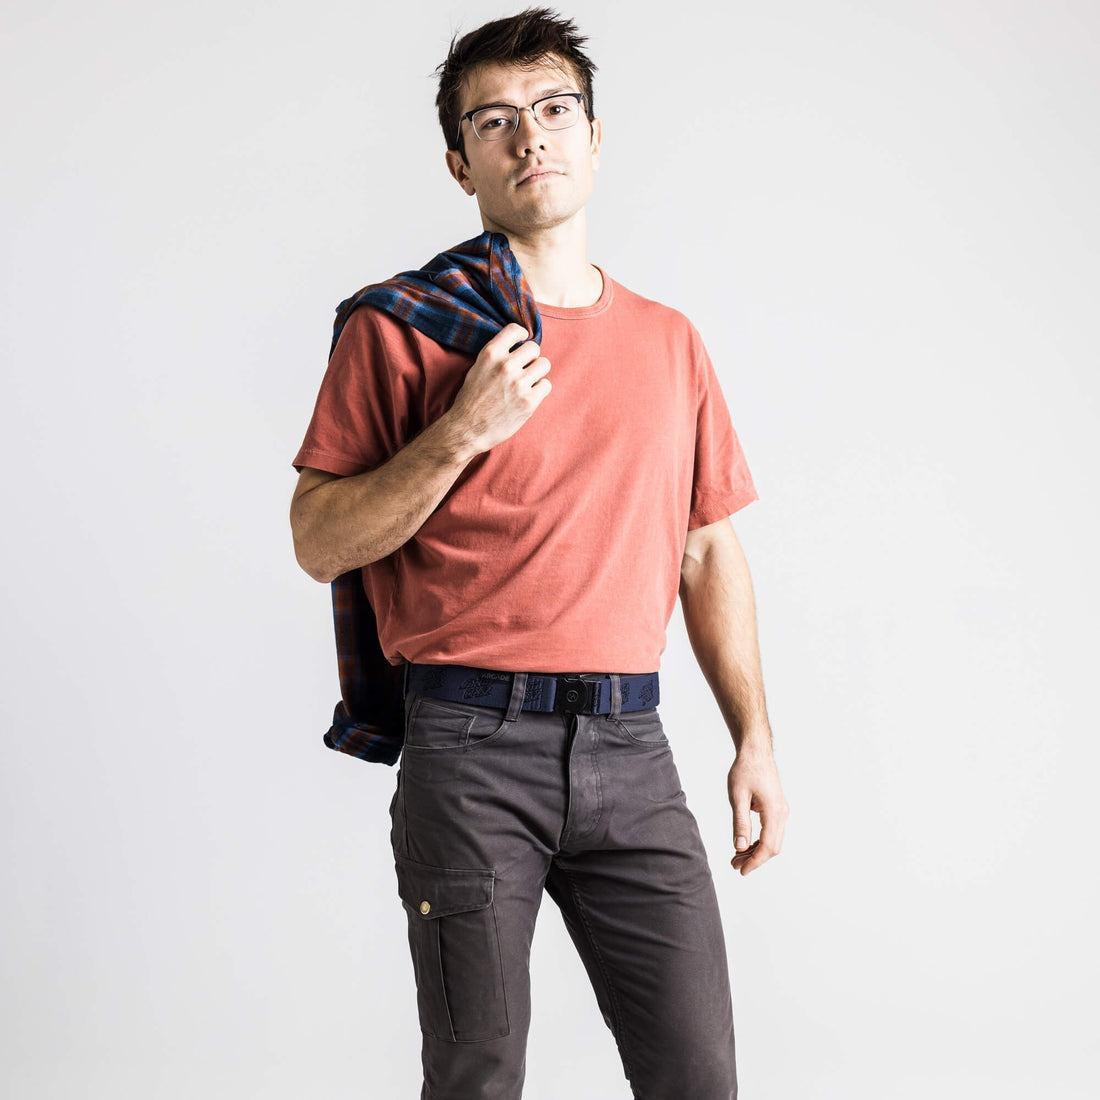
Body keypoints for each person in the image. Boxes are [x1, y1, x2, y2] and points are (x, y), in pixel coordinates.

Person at [290, 8, 788, 1098]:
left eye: (555, 109)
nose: (530, 137)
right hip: (471, 746)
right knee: (476, 1074)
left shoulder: (670, 342)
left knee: (698, 1075)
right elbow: (317, 540)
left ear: (594, 139)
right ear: (458, 161)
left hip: (632, 746)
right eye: (495, 120)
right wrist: (461, 431)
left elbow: (706, 550)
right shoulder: (403, 328)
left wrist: (753, 739)